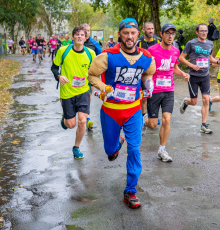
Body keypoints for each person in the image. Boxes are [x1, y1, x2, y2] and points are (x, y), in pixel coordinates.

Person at [88, 18, 155, 208]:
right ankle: (117, 144)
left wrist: (147, 82)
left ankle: (131, 191)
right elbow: (92, 75)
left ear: (137, 35)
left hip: (133, 111)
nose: (129, 36)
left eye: (133, 33)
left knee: (134, 150)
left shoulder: (146, 57)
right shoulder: (107, 56)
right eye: (126, 33)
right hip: (111, 111)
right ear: (120, 34)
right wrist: (103, 87)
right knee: (110, 151)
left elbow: (149, 72)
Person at [145, 23, 190, 162]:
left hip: (169, 90)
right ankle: (143, 120)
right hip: (154, 91)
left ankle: (162, 149)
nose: (170, 36)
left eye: (173, 33)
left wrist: (183, 73)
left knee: (166, 119)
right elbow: (145, 68)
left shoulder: (175, 51)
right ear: (162, 34)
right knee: (152, 124)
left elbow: (173, 67)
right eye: (168, 33)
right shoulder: (152, 50)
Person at [51, 25, 96, 160]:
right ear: (72, 37)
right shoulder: (63, 51)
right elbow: (54, 68)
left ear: (85, 37)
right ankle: (65, 120)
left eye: (82, 35)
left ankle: (76, 147)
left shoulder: (90, 54)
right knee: (71, 125)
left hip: (83, 91)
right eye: (77, 35)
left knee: (82, 122)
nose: (79, 37)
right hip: (67, 92)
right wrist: (59, 76)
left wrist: (94, 88)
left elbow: (93, 73)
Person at [179, 23, 218, 134]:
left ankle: (204, 125)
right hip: (194, 77)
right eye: (201, 31)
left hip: (205, 76)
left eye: (205, 31)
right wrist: (192, 66)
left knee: (206, 100)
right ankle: (186, 102)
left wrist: (218, 61)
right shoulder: (191, 43)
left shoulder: (210, 44)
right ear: (197, 32)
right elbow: (181, 58)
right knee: (194, 102)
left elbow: (210, 58)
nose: (204, 33)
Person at [136, 22, 161, 119]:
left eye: (152, 29)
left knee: (156, 96)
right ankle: (143, 116)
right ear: (143, 30)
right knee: (144, 97)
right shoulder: (139, 42)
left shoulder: (158, 40)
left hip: (156, 73)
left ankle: (153, 115)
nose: (151, 31)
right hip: (143, 74)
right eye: (148, 29)